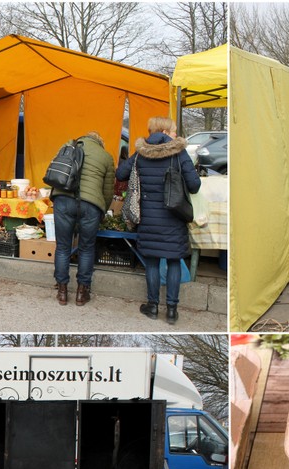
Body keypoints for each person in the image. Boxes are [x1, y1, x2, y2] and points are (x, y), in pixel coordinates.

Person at [116, 116, 201, 325]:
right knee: (173, 260)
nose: (175, 134)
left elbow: (120, 174)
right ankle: (172, 310)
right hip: (174, 216)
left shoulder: (141, 153)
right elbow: (194, 185)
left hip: (149, 218)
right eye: (173, 130)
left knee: (152, 262)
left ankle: (152, 306)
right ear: (164, 131)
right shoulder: (178, 153)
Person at [50, 131, 115, 307]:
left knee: (63, 247)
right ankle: (81, 292)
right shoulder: (106, 156)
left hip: (63, 200)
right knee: (86, 248)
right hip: (91, 205)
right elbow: (108, 191)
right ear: (99, 143)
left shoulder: (67, 145)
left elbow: (56, 171)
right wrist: (103, 209)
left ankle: (62, 291)